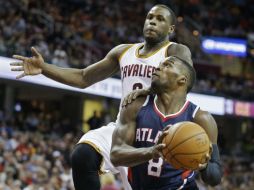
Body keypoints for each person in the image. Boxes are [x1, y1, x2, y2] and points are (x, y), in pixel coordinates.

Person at [10, 4, 193, 190]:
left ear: (171, 28)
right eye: (150, 17)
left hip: (154, 133)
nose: (153, 21)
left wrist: (149, 90)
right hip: (122, 129)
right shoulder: (123, 51)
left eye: (160, 19)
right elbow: (83, 78)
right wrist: (44, 69)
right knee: (83, 155)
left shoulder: (176, 51)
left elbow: (186, 82)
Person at [110, 56, 223, 190]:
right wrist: (150, 152)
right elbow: (116, 155)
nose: (157, 68)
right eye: (159, 64)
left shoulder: (201, 118)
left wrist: (205, 166)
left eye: (167, 65)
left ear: (182, 80)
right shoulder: (136, 105)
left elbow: (215, 178)